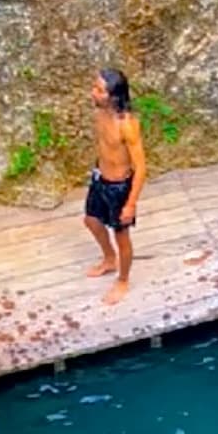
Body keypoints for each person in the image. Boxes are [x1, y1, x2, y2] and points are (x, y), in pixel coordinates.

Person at [84, 67, 146, 306]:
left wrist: (130, 203)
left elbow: (141, 168)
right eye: (94, 87)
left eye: (99, 90)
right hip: (100, 179)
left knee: (122, 237)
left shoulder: (127, 124)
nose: (93, 93)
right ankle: (110, 259)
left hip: (119, 187)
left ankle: (123, 279)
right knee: (91, 221)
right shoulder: (100, 113)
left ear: (113, 96)